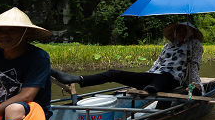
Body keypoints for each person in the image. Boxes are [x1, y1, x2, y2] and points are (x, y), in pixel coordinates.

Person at [52, 22, 203, 94]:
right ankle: (76, 79)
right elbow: (156, 65)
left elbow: (194, 66)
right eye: (178, 31)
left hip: (172, 79)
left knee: (160, 80)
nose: (180, 34)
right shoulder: (167, 47)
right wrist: (140, 78)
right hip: (154, 76)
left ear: (190, 32)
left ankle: (152, 89)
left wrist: (196, 85)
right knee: (113, 73)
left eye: (184, 31)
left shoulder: (195, 45)